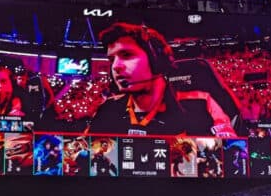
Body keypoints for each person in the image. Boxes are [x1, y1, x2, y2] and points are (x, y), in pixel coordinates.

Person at [88, 22, 238, 137]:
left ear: (156, 60)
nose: (115, 67)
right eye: (111, 59)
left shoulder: (201, 103)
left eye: (126, 55)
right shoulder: (108, 108)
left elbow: (228, 154)